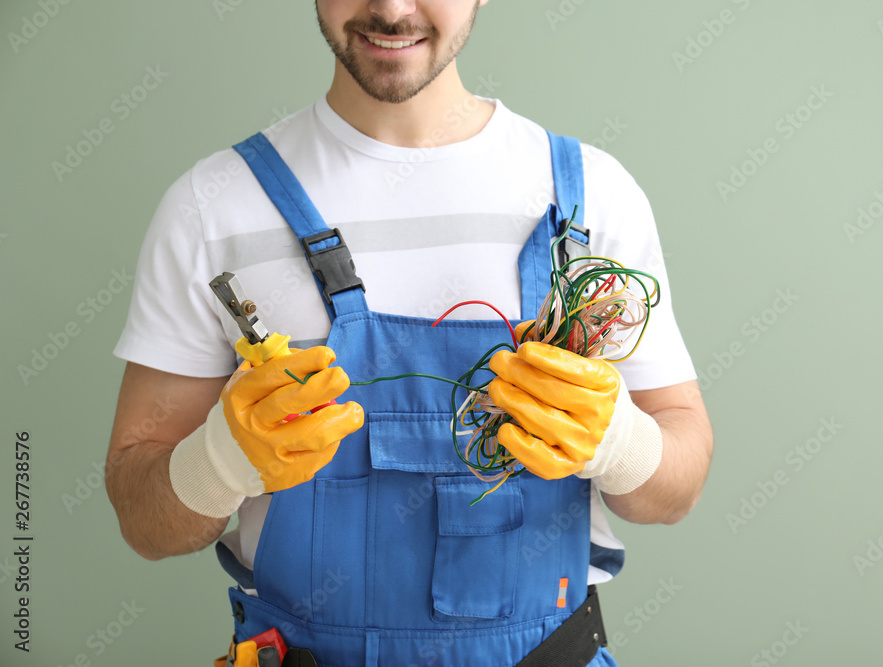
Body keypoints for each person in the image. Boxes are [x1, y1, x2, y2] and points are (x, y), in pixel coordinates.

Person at [106, 1, 714, 664]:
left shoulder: (591, 197)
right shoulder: (212, 206)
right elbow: (144, 521)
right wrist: (218, 462)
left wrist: (619, 442)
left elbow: (678, 484)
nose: (393, 9)